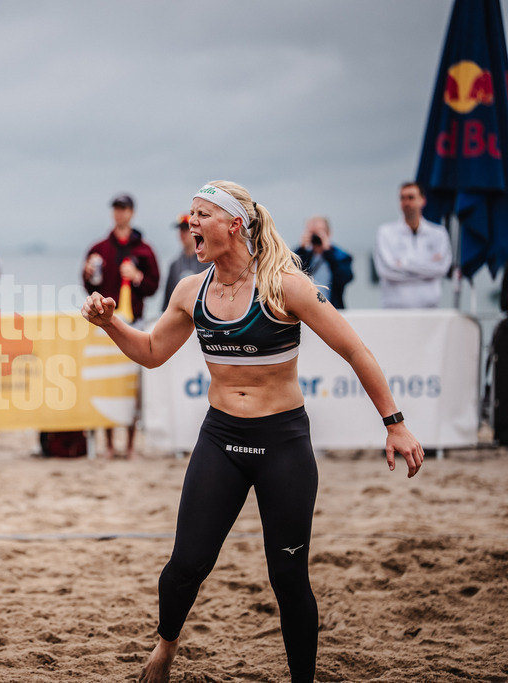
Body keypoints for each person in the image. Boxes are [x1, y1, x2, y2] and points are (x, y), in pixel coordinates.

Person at [81, 180, 424, 683]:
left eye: (201, 215)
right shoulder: (190, 290)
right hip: (221, 440)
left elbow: (355, 350)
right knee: (184, 567)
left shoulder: (285, 285)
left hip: (282, 443)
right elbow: (152, 353)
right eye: (190, 216)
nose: (191, 223)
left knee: (288, 578)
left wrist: (395, 424)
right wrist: (110, 324)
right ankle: (165, 647)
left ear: (234, 225)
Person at [82, 193, 160, 459]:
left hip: (134, 321)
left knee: (130, 386)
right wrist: (88, 273)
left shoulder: (144, 250)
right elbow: (89, 286)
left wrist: (137, 277)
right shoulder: (100, 248)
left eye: (124, 208)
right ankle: (109, 445)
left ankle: (128, 445)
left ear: (132, 212)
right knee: (106, 383)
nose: (119, 213)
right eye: (116, 208)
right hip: (106, 323)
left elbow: (153, 286)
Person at [373, 182, 452, 309]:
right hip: (394, 311)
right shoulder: (385, 233)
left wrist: (402, 264)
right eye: (402, 198)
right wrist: (428, 267)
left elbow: (442, 269)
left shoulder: (438, 234)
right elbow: (385, 271)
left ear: (422, 200)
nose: (406, 203)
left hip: (430, 311)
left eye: (411, 197)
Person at [292, 215, 354, 310]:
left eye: (319, 232)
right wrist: (301, 250)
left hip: (333, 308)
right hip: (306, 309)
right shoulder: (301, 255)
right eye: (312, 232)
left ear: (328, 233)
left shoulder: (340, 256)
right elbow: (292, 276)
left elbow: (345, 278)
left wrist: (328, 252)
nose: (316, 236)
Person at [161, 213, 210, 311]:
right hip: (180, 317)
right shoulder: (174, 265)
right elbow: (167, 301)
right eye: (180, 230)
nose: (182, 233)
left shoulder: (208, 262)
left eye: (185, 229)